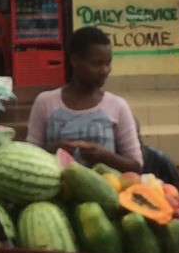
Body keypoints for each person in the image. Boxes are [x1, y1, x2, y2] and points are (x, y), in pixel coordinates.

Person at [25, 27, 142, 174]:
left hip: (107, 192)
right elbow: (28, 157)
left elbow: (136, 166)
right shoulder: (45, 102)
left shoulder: (118, 106)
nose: (105, 70)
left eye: (108, 63)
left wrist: (104, 156)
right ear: (75, 61)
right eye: (97, 63)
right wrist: (52, 150)